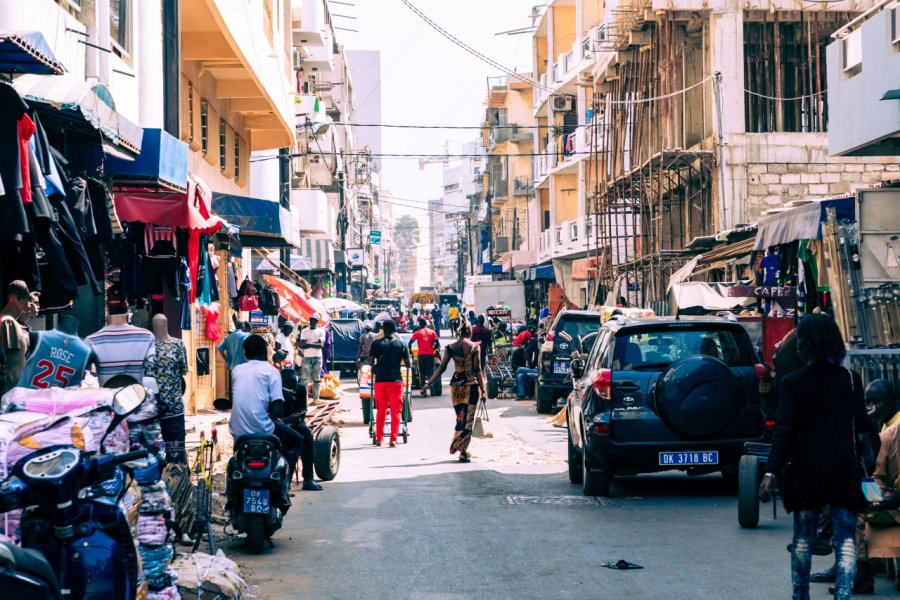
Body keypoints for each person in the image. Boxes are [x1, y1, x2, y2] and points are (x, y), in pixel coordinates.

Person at [761, 314, 876, 600]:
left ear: (804, 344)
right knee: (845, 539)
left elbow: (784, 432)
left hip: (806, 471)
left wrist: (770, 471)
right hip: (843, 470)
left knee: (803, 539)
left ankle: (801, 596)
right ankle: (844, 596)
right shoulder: (850, 380)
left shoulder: (793, 383)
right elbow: (861, 426)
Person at [228, 335, 308, 502]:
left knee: (236, 454)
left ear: (245, 353)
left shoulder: (237, 370)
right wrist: (268, 418)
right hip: (263, 428)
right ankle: (285, 486)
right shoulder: (271, 371)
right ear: (266, 352)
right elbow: (278, 410)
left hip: (237, 429)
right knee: (297, 439)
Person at [421, 319, 485, 463]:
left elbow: (441, 367)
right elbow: (477, 370)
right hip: (471, 386)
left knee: (460, 417)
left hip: (456, 387)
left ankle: (461, 446)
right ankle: (461, 449)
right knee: (468, 420)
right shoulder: (475, 347)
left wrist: (428, 384)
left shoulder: (450, 348)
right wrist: (484, 389)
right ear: (469, 331)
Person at [367, 319, 411, 447]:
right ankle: (393, 439)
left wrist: (378, 363)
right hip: (396, 381)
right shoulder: (402, 344)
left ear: (383, 330)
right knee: (396, 411)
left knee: (381, 410)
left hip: (380, 381)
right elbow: (408, 364)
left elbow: (370, 362)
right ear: (395, 329)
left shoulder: (376, 343)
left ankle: (379, 439)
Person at [1, 281, 35, 394]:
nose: (29, 303)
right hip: (11, 393)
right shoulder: (8, 322)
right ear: (14, 298)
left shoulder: (12, 322)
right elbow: (12, 365)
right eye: (26, 299)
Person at [298, 313, 326, 401]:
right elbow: (302, 344)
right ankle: (304, 399)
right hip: (307, 357)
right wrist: (315, 343)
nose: (312, 321)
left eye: (314, 320)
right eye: (311, 320)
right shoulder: (304, 331)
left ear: (317, 321)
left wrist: (308, 343)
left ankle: (316, 398)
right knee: (304, 379)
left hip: (317, 357)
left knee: (317, 379)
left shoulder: (321, 331)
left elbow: (321, 345)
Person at [410, 318, 440, 396]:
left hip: (421, 355)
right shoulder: (432, 332)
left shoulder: (417, 333)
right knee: (431, 374)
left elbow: (410, 343)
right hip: (430, 355)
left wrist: (410, 351)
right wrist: (432, 349)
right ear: (426, 324)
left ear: (420, 324)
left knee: (422, 374)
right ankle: (432, 392)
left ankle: (424, 393)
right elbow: (437, 344)